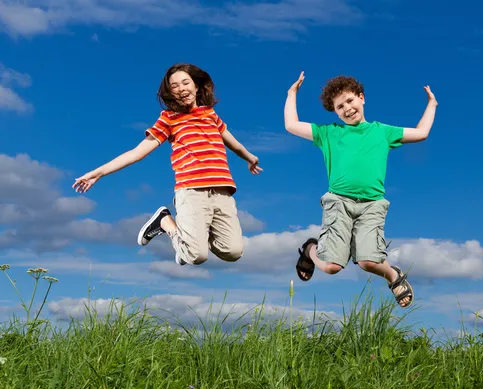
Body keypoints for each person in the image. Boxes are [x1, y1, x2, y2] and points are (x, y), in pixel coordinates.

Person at [73, 63, 262, 266]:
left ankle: (190, 240)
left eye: (185, 82)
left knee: (233, 252)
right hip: (191, 191)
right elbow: (137, 152)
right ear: (170, 93)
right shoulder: (169, 119)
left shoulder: (211, 115)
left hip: (222, 192)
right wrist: (98, 173)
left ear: (196, 86)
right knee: (197, 256)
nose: (181, 88)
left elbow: (234, 143)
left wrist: (250, 158)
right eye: (174, 86)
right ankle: (165, 222)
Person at [283, 71, 438, 308]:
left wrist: (432, 104)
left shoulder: (382, 132)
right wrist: (291, 93)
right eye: (339, 106)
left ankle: (393, 275)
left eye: (350, 101)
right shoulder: (329, 133)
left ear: (362, 98)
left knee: (368, 262)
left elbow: (422, 133)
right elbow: (291, 125)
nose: (347, 108)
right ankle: (309, 250)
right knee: (331, 267)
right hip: (338, 202)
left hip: (372, 204)